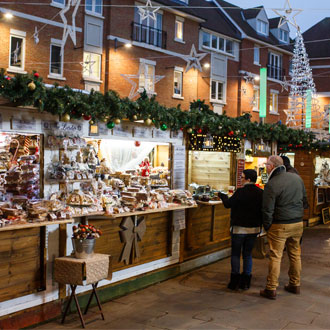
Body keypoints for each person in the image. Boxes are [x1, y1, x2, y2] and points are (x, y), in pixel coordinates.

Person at [260, 155, 307, 300]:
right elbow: (304, 200)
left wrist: (268, 226)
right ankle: (295, 284)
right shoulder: (297, 178)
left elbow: (267, 209)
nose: (265, 167)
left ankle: (271, 288)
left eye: (266, 164)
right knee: (295, 254)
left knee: (275, 256)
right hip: (297, 223)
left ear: (272, 166)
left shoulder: (272, 183)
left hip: (280, 224)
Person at [220, 169, 263, 291]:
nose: (241, 179)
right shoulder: (261, 192)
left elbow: (228, 204)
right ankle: (245, 282)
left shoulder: (240, 192)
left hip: (239, 229)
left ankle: (234, 282)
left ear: (248, 179)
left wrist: (222, 196)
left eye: (242, 177)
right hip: (254, 229)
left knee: (235, 254)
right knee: (247, 254)